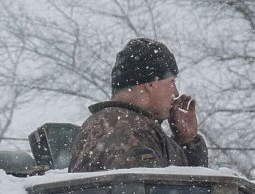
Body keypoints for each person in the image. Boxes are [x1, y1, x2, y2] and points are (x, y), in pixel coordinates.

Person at [68, 38, 210, 172]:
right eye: (171, 82)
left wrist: (187, 141)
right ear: (150, 83)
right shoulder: (127, 129)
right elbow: (152, 193)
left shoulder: (124, 124)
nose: (176, 92)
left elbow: (187, 184)